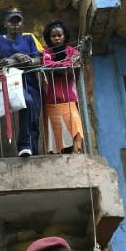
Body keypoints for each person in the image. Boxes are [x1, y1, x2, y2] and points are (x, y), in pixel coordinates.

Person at [0, 7, 43, 157]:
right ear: (5, 23)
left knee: (34, 117)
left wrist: (30, 60)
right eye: (12, 21)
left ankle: (33, 151)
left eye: (18, 21)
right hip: (11, 83)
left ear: (22, 23)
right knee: (27, 101)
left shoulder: (29, 38)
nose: (15, 25)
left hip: (30, 82)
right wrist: (16, 57)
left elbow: (41, 58)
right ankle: (24, 145)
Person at [42, 20, 84, 154]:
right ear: (49, 38)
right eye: (53, 36)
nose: (56, 38)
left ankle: (75, 154)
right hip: (51, 100)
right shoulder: (46, 51)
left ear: (64, 35)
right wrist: (66, 65)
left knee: (74, 128)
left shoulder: (72, 51)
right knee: (55, 135)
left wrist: (60, 67)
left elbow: (76, 64)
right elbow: (48, 65)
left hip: (69, 99)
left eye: (59, 35)